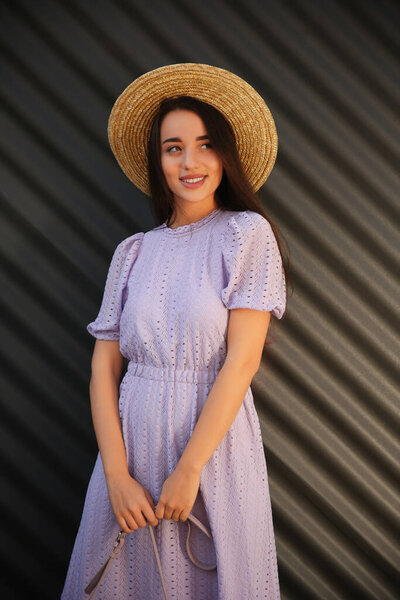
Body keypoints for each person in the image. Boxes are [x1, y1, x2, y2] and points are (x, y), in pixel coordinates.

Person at [61, 63, 289, 600]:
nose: (190, 162)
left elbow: (241, 362)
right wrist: (117, 476)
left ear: (226, 154)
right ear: (157, 160)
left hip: (211, 451)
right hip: (129, 452)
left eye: (206, 144)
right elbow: (103, 368)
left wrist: (190, 471)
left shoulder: (245, 234)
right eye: (173, 147)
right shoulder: (133, 251)